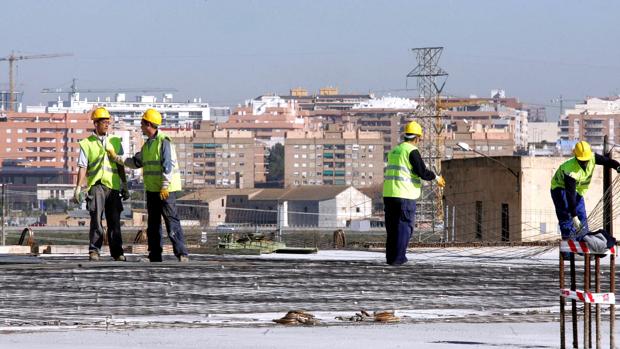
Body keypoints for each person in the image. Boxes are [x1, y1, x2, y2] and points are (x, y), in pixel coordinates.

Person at [106, 108, 189, 262]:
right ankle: (155, 254)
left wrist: (165, 186)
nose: (141, 127)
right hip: (152, 190)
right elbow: (135, 162)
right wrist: (116, 157)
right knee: (153, 224)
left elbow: (168, 166)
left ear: (149, 124)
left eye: (142, 123)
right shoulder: (148, 145)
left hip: (165, 190)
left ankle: (181, 253)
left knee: (171, 221)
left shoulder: (163, 142)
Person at [382, 120, 445, 265]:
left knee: (392, 229)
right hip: (404, 195)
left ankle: (391, 259)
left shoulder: (394, 150)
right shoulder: (411, 151)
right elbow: (422, 172)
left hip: (389, 195)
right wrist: (436, 178)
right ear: (417, 137)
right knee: (405, 227)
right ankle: (399, 260)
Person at [74, 107, 129, 261]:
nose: (106, 124)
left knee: (114, 221)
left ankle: (117, 252)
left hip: (113, 186)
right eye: (103, 122)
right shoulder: (87, 143)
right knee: (96, 220)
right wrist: (78, 187)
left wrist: (124, 184)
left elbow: (120, 165)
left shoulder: (115, 141)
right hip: (97, 185)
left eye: (108, 122)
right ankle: (94, 250)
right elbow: (82, 166)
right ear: (95, 123)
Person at [550, 140, 620, 240]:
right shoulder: (570, 169)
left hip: (578, 190)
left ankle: (584, 247)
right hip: (559, 189)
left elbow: (607, 161)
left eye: (586, 159)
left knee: (582, 217)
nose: (584, 162)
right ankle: (569, 252)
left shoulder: (592, 157)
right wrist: (574, 216)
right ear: (576, 157)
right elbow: (570, 195)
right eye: (582, 160)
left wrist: (617, 166)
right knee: (567, 217)